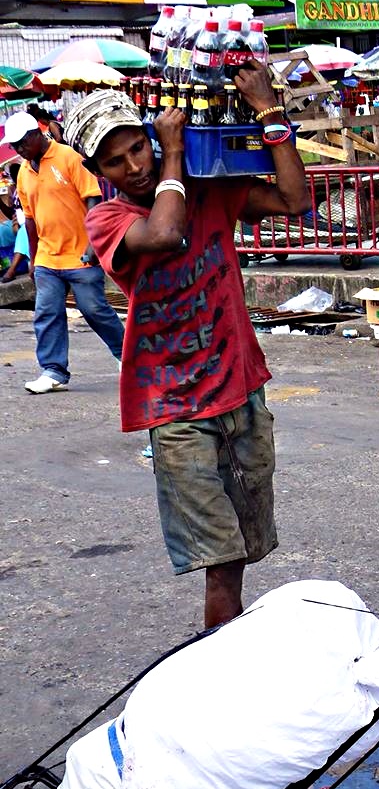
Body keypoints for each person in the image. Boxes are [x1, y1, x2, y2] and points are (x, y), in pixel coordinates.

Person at [66, 65, 311, 628]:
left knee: (245, 546)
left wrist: (271, 113)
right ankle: (219, 668)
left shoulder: (209, 191)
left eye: (139, 149)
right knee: (218, 557)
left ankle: (230, 650)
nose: (134, 167)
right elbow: (166, 233)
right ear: (96, 172)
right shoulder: (108, 219)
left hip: (239, 389)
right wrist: (172, 155)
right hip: (175, 407)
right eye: (115, 161)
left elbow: (295, 202)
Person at [5, 111, 125, 394]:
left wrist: (93, 244)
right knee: (46, 313)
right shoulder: (24, 172)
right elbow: (30, 219)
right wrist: (34, 260)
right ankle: (53, 370)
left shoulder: (68, 157)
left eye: (22, 143)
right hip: (47, 256)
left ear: (36, 134)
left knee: (94, 309)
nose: (19, 150)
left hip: (79, 253)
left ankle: (126, 355)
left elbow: (93, 198)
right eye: (15, 147)